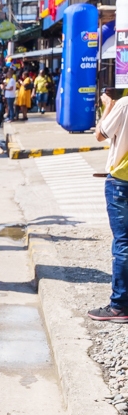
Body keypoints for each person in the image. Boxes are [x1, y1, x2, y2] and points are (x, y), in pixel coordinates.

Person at [89, 89, 128, 322]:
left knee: (123, 243)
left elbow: (100, 134)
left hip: (122, 181)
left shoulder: (123, 104)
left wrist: (108, 106)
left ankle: (119, 306)